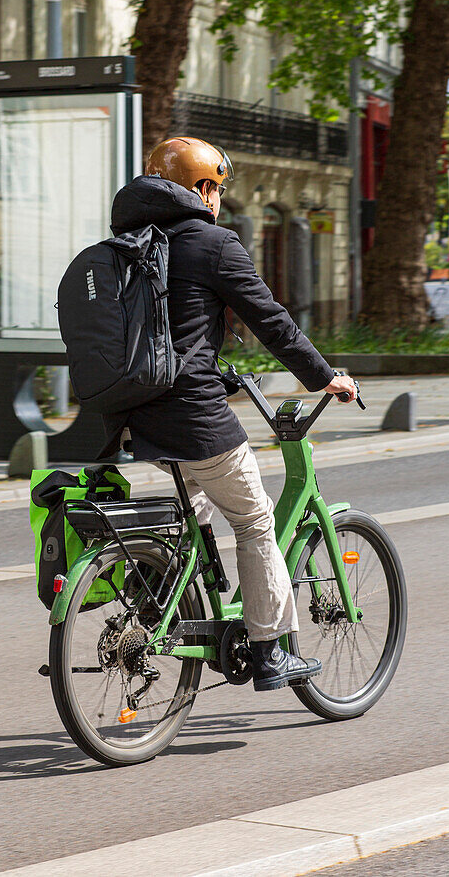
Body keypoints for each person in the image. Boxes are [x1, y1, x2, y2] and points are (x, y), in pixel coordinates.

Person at [100, 137, 357, 692]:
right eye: (215, 186)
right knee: (256, 520)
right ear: (203, 188)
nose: (217, 198)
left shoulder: (127, 244)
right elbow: (271, 320)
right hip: (194, 416)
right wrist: (324, 376)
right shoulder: (213, 243)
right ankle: (269, 650)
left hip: (132, 417)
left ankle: (163, 604)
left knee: (193, 514)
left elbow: (168, 331)